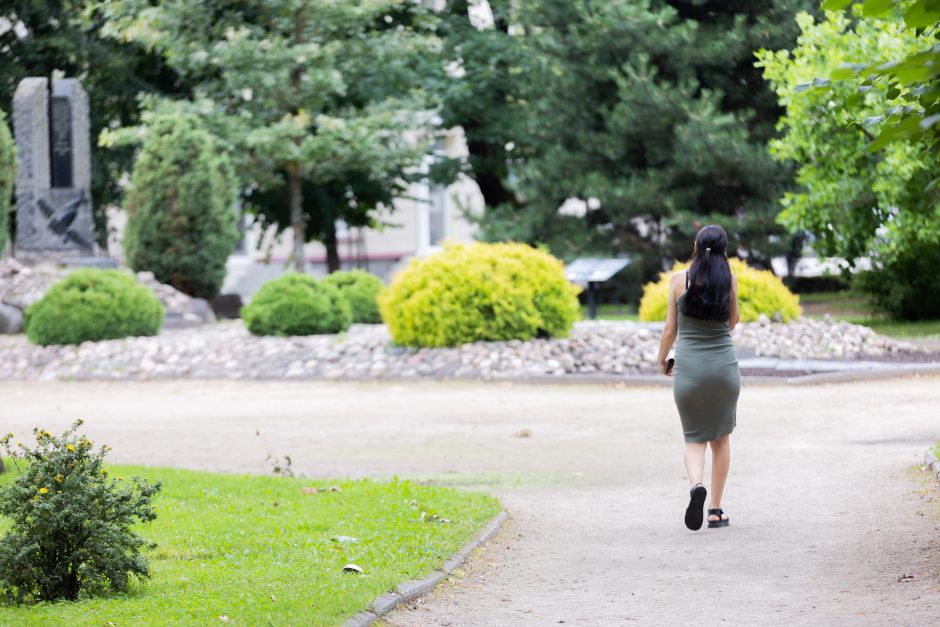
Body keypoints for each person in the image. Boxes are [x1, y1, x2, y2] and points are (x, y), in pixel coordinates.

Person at [656, 224, 741, 531]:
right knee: (721, 439)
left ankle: (696, 487)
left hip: (689, 371)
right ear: (724, 250)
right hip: (724, 370)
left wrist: (662, 359)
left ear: (695, 246)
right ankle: (716, 511)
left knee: (694, 439)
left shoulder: (680, 280)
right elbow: (732, 323)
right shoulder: (729, 280)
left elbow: (670, 329)